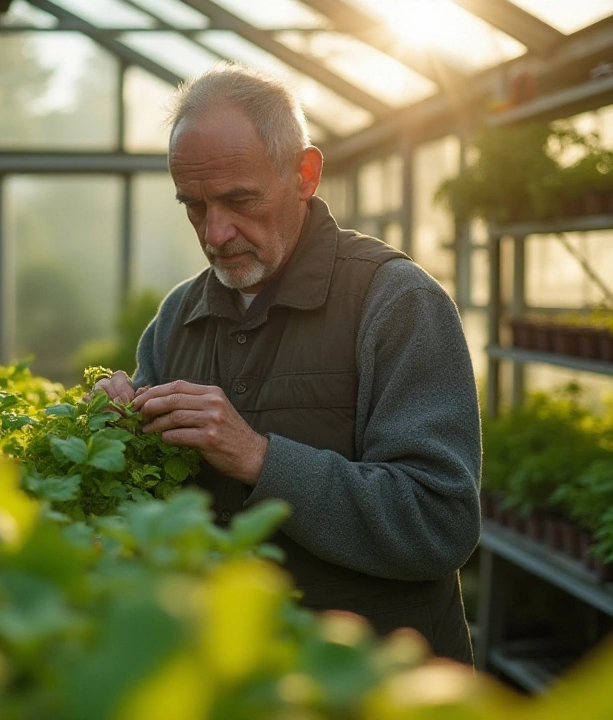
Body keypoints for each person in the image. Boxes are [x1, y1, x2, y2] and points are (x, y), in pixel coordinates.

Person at [93, 62, 481, 664]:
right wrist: (116, 436)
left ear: (304, 174)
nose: (215, 233)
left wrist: (257, 456)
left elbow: (439, 525)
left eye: (238, 199)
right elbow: (151, 509)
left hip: (377, 689)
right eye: (193, 206)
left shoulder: (397, 303)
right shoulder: (179, 315)